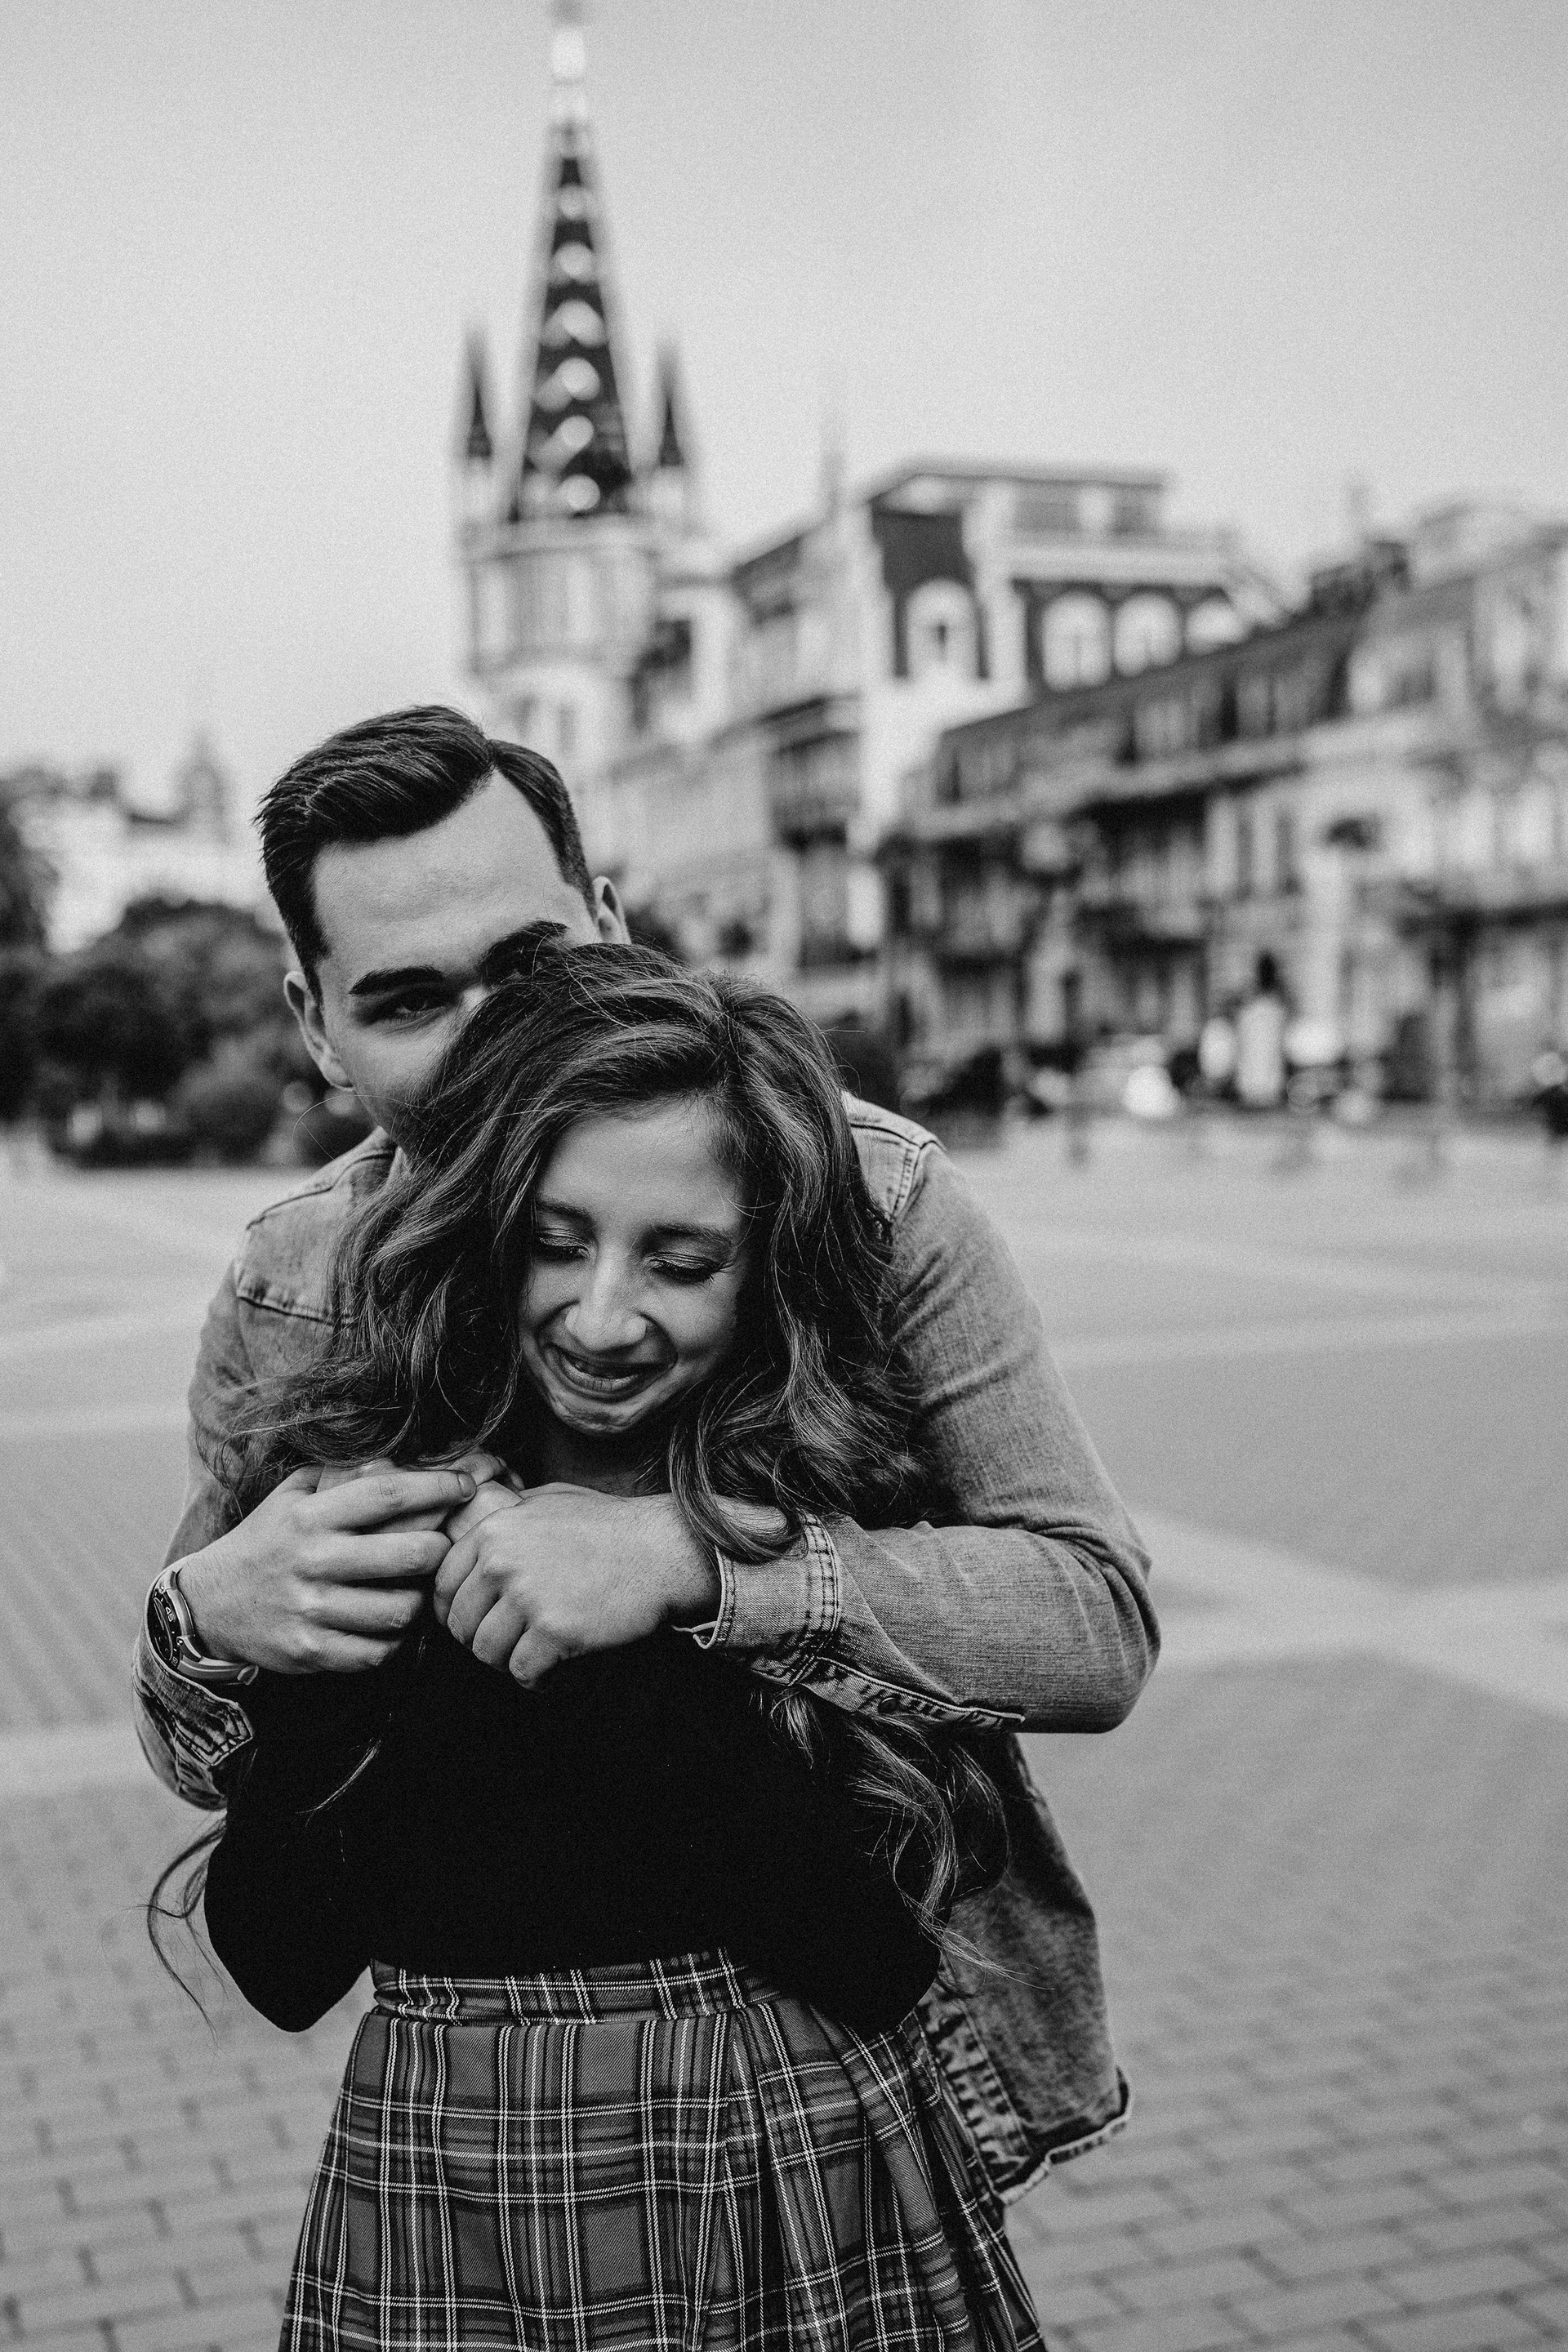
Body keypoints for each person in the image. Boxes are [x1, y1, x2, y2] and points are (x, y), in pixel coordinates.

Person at [133, 705, 1156, 2203]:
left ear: (612, 926)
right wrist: (207, 1621)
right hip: (485, 2133)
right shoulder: (296, 1282)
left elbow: (1094, 1623)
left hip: (861, 2072)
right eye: (410, 1001)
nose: (499, 1044)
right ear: (316, 1025)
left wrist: (695, 1558)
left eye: (531, 966)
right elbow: (207, 1782)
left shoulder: (865, 1196)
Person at [185, 947, 1054, 2346]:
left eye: (681, 1262)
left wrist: (649, 1598)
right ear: (484, 1226)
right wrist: (395, 1598)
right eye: (554, 1240)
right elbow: (280, 1959)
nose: (599, 1318)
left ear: (765, 1274)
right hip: (451, 2188)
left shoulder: (805, 1509)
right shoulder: (377, 1492)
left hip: (787, 2157)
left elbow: (870, 1959)